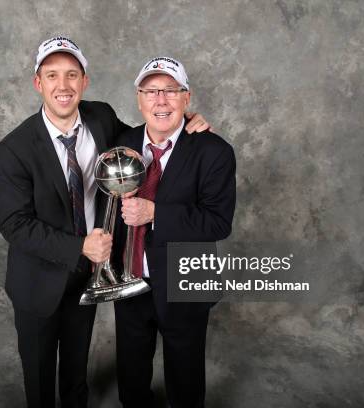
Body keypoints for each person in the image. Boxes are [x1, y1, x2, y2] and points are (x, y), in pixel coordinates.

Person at [0, 37, 212, 408]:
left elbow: (145, 136)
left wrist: (185, 120)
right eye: (52, 76)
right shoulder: (14, 148)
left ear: (85, 81)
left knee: (77, 374)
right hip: (38, 283)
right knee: (41, 377)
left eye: (72, 75)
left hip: (89, 276)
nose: (63, 86)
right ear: (38, 83)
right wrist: (79, 246)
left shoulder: (101, 118)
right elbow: (14, 224)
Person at [113, 57, 236, 408]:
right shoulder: (122, 141)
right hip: (130, 278)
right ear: (139, 99)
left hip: (185, 282)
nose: (160, 100)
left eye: (170, 91)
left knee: (185, 376)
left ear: (187, 98)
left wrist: (155, 213)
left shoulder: (215, 152)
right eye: (151, 91)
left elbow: (218, 222)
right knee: (131, 372)